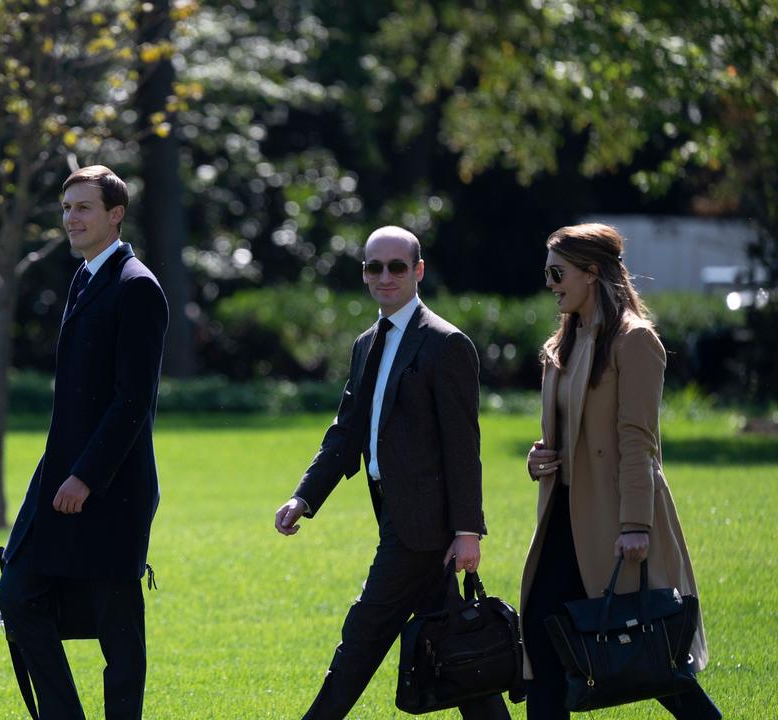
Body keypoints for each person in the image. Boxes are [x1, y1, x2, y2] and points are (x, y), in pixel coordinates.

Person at [274, 226, 511, 719]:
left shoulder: (446, 344)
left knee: (362, 635)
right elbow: (345, 433)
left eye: (396, 267)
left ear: (418, 271)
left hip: (427, 533)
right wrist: (304, 498)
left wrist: (468, 532)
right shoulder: (366, 344)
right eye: (373, 267)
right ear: (364, 273)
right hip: (397, 520)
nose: (384, 276)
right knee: (457, 646)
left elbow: (464, 447)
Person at [521, 223, 719, 719]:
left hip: (614, 517)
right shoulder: (562, 344)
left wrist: (636, 525)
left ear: (591, 273)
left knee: (643, 647)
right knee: (544, 637)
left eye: (557, 272)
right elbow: (569, 433)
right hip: (563, 515)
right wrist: (538, 457)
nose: (550, 283)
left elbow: (638, 442)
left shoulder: (635, 342)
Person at [0, 165, 169, 719]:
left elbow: (131, 400)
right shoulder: (84, 277)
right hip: (62, 475)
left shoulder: (137, 286)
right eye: (67, 208)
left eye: (83, 208)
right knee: (17, 594)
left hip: (112, 487)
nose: (70, 218)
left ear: (114, 215)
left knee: (117, 627)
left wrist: (86, 476)